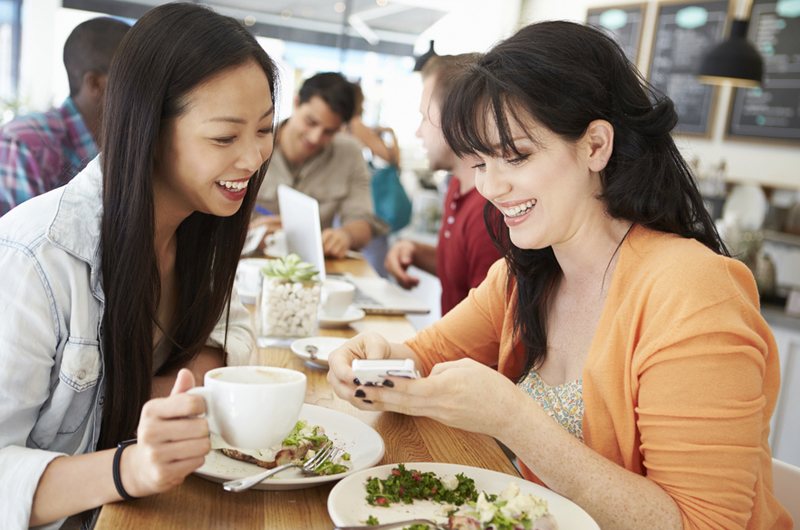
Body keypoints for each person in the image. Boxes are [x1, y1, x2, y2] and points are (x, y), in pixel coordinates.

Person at [328, 21, 791, 529]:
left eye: (516, 156)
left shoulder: (694, 292)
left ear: (595, 145)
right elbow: (425, 356)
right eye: (480, 162)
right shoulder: (525, 272)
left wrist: (513, 420)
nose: (491, 186)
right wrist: (374, 361)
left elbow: (704, 524)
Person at [0, 3, 276, 528]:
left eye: (264, 129)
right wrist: (131, 467)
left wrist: (178, 381)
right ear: (147, 128)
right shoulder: (35, 257)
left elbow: (233, 327)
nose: (253, 158)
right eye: (224, 137)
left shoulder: (201, 221)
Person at [384, 54, 502, 315]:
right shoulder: (458, 186)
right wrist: (415, 251)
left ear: (457, 121)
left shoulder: (491, 211)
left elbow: (488, 323)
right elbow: (463, 271)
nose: (418, 132)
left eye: (425, 118)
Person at [0, 16, 131, 216]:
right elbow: (22, 243)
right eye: (134, 75)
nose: (149, 87)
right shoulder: (25, 143)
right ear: (95, 84)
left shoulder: (130, 144)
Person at [253, 72, 389, 259]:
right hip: (248, 263)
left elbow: (362, 220)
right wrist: (250, 233)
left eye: (329, 131)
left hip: (311, 270)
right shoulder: (254, 143)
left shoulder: (349, 154)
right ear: (296, 102)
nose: (315, 137)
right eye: (311, 122)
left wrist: (345, 236)